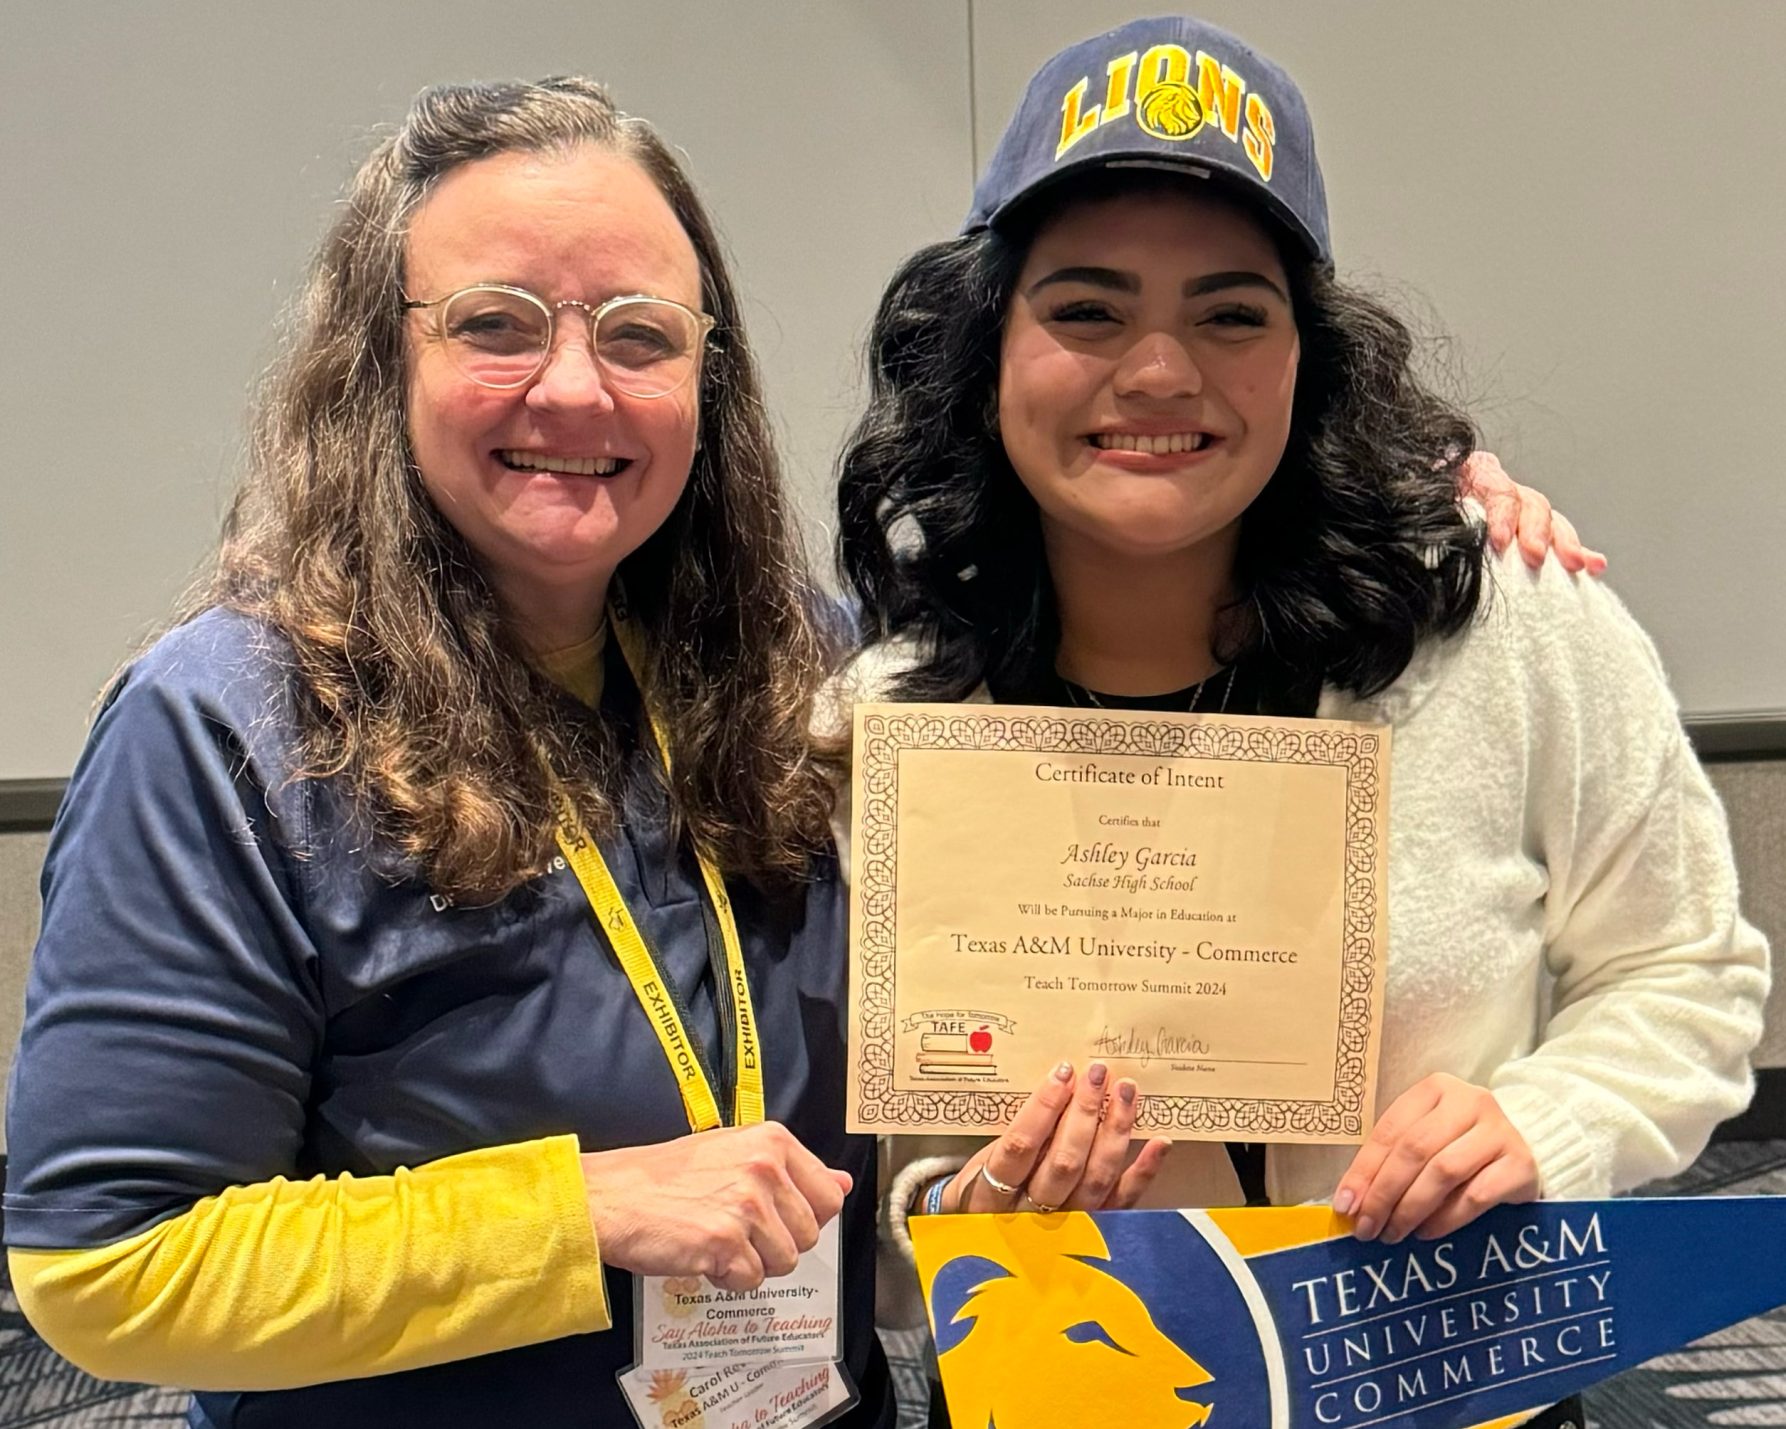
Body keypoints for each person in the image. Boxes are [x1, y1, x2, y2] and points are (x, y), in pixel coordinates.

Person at [831, 16, 1769, 1428]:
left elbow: (1688, 973)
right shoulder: (886, 727)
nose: (1158, 373)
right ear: (983, 349)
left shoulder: (1500, 627)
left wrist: (1540, 1123)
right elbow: (889, 1186)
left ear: (1304, 358)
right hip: (1085, 1396)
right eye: (1085, 308)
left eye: (1229, 311)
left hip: (1457, 1384)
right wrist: (973, 1211)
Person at [4, 78, 894, 1427]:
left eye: (641, 335)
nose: (577, 385)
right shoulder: (229, 725)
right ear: (382, 360)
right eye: (496, 324)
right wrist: (578, 1208)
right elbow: (107, 1265)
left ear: (705, 382)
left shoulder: (813, 680)